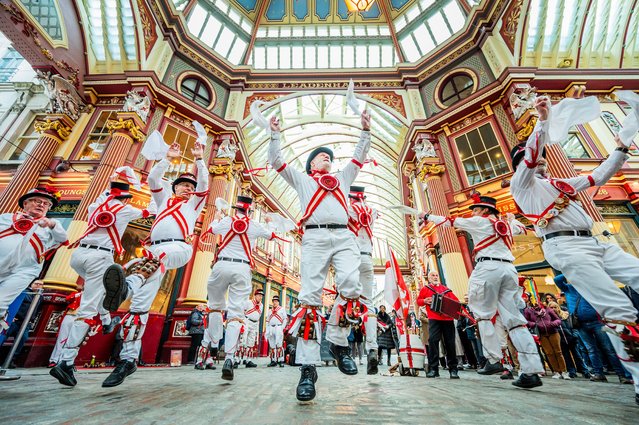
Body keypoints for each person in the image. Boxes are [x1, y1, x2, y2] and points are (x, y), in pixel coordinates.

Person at [510, 96, 639, 404]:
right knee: (619, 309)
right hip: (566, 247)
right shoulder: (522, 185)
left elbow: (599, 176)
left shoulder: (559, 183)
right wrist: (542, 121)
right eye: (537, 157)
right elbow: (529, 156)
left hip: (594, 242)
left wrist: (620, 147)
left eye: (542, 158)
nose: (542, 160)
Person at [267, 110, 371, 401]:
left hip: (343, 235)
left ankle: (338, 345)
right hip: (313, 236)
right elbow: (276, 161)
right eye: (321, 155)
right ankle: (308, 369)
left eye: (329, 156)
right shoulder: (303, 180)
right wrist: (275, 133)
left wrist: (365, 130)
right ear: (311, 163)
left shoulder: (343, 178)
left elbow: (359, 158)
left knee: (351, 285)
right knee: (310, 298)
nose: (327, 157)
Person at [99, 141, 208, 387]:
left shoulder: (193, 205)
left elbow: (204, 185)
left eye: (191, 186)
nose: (188, 189)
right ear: (175, 187)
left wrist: (199, 159)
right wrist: (168, 159)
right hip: (154, 251)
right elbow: (154, 180)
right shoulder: (162, 201)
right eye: (183, 185)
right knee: (139, 307)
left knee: (147, 264)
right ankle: (128, 359)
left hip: (178, 248)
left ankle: (128, 286)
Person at [419, 196, 544, 388]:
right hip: (510, 270)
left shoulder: (480, 221)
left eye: (475, 210)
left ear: (485, 211)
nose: (473, 213)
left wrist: (426, 216)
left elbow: (448, 221)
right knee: (515, 321)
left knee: (482, 313)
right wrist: (512, 219)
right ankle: (532, 370)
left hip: (488, 268)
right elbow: (522, 228)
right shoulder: (507, 225)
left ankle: (493, 359)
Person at [50, 171, 145, 386]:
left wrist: (117, 177)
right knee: (87, 309)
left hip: (78, 256)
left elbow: (102, 197)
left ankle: (105, 320)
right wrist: (140, 183)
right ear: (125, 198)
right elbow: (153, 211)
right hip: (100, 256)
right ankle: (65, 362)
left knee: (100, 291)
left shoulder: (94, 207)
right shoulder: (126, 209)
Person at [202, 195, 278, 380]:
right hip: (242, 268)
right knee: (236, 313)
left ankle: (213, 343)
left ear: (235, 208)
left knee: (215, 306)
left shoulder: (227, 220)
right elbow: (271, 235)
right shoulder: (254, 225)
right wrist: (269, 222)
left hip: (221, 265)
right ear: (250, 210)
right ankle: (229, 358)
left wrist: (218, 215)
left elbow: (211, 229)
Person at [0, 187, 67, 330]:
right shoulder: (6, 217)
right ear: (25, 204)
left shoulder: (52, 226)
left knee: (0, 302)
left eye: (46, 204)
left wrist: (51, 223)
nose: (41, 205)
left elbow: (63, 238)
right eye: (38, 201)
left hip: (24, 271)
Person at [554, 274, 633, 384]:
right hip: (580, 324)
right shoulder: (568, 288)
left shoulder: (590, 288)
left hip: (597, 322)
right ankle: (599, 374)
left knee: (608, 349)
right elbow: (557, 279)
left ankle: (622, 375)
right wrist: (570, 270)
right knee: (591, 350)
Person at [347, 185, 379, 374]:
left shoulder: (348, 208)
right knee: (369, 304)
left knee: (344, 301)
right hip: (368, 258)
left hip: (351, 258)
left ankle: (341, 349)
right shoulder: (372, 211)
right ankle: (372, 349)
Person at [416, 270, 460, 379]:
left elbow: (456, 302)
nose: (435, 277)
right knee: (433, 341)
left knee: (450, 343)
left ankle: (453, 369)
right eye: (433, 275)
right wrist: (425, 301)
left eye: (436, 275)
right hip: (434, 319)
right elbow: (419, 301)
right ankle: (433, 369)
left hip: (448, 319)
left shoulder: (446, 290)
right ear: (429, 278)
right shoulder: (426, 289)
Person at [524, 301, 567, 379]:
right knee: (549, 353)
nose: (536, 304)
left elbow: (558, 320)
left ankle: (564, 371)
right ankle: (556, 371)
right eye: (534, 302)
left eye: (537, 302)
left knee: (558, 352)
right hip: (542, 334)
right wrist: (534, 324)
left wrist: (553, 324)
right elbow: (527, 321)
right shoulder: (529, 311)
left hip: (553, 332)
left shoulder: (548, 310)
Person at [49, 283, 84, 367]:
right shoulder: (77, 294)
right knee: (62, 338)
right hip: (71, 315)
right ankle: (54, 359)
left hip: (82, 318)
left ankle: (65, 361)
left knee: (74, 341)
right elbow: (68, 298)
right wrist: (81, 293)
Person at [238, 288, 264, 368]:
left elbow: (259, 315)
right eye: (259, 295)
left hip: (255, 324)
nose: (260, 297)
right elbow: (242, 311)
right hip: (247, 322)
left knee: (251, 342)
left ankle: (248, 360)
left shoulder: (261, 305)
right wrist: (242, 321)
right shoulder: (248, 302)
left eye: (261, 296)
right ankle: (237, 359)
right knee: (242, 340)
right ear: (255, 295)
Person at [266, 295, 288, 368]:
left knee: (279, 345)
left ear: (278, 302)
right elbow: (267, 320)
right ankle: (273, 360)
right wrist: (267, 329)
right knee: (272, 345)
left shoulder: (282, 309)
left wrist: (282, 327)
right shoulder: (270, 310)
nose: (274, 302)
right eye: (273, 301)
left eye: (276, 301)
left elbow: (285, 319)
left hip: (278, 327)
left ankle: (280, 360)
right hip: (271, 328)